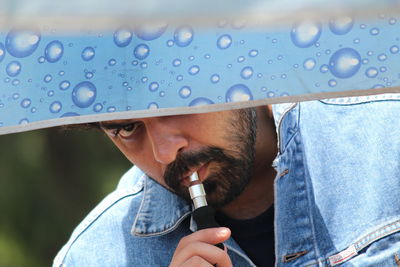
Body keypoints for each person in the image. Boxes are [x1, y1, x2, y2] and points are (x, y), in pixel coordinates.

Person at [53, 93, 400, 267]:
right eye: (127, 128)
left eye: (176, 100)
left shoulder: (388, 142)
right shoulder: (94, 256)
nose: (165, 153)